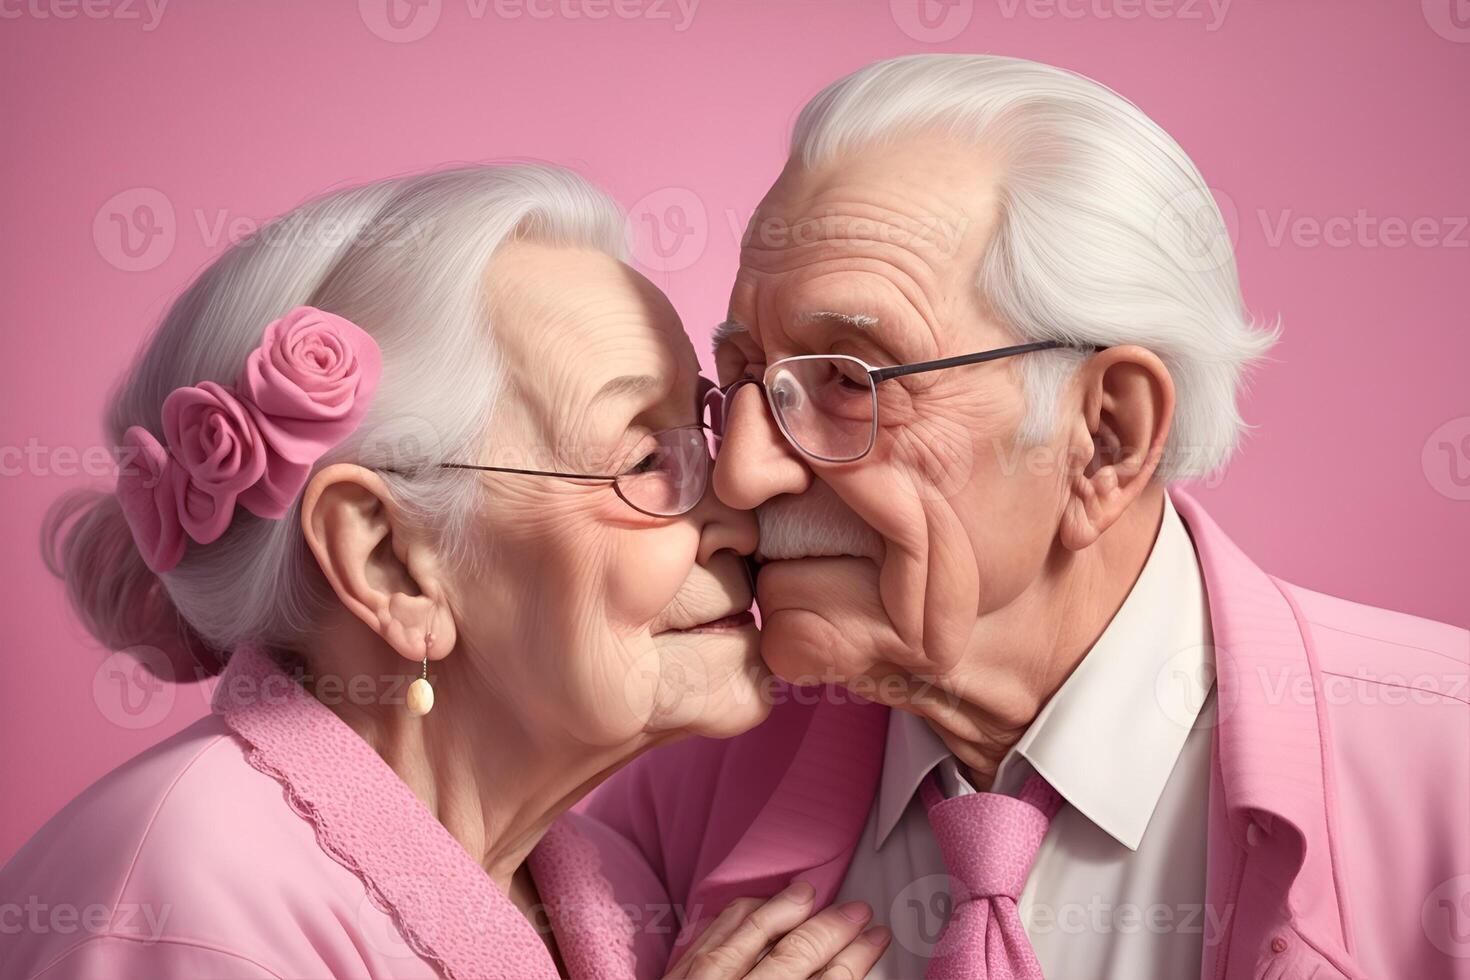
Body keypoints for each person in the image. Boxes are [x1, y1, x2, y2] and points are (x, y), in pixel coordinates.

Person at [588, 54, 1470, 980]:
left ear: (1105, 439)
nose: (741, 471)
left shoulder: (1447, 773)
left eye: (847, 381)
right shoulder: (669, 801)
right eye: (742, 383)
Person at [1, 166, 892, 979]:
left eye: (696, 429)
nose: (740, 508)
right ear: (390, 561)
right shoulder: (181, 909)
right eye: (645, 458)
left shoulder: (614, 897)